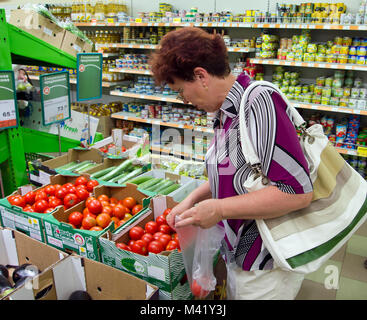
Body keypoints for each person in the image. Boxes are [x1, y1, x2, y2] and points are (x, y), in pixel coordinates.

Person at [149, 27, 313, 300]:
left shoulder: (259, 102)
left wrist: (220, 209)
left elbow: (297, 191)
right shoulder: (226, 111)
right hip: (239, 253)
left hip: (266, 263)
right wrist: (192, 199)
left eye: (181, 91)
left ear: (201, 76)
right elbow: (233, 175)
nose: (185, 100)